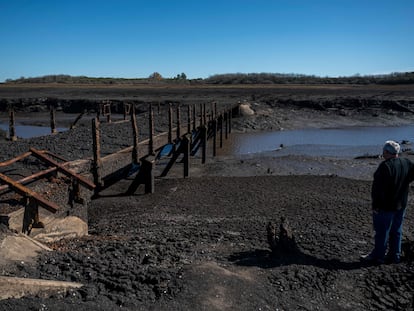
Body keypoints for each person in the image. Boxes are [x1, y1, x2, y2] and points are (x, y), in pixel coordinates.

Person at [361, 140, 414, 264]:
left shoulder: (385, 166)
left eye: (384, 151)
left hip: (386, 206)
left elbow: (377, 189)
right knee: (396, 230)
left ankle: (378, 255)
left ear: (386, 152)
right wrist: (404, 184)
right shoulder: (406, 162)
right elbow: (412, 176)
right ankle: (395, 255)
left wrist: (376, 206)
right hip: (401, 203)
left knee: (382, 231)